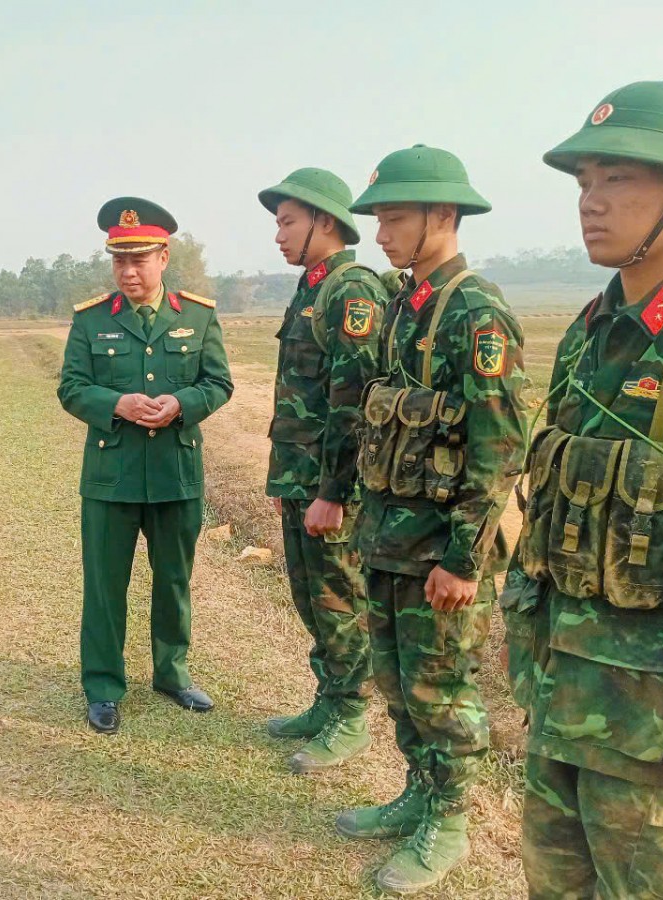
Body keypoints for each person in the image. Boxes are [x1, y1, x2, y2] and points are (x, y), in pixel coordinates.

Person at [505, 77, 663, 899]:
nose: (590, 202)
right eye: (583, 182)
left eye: (619, 178)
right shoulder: (588, 332)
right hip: (564, 706)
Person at [332, 145, 528, 893]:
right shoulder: (406, 306)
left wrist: (464, 559)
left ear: (443, 216)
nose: (380, 232)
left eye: (395, 217)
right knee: (398, 679)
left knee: (442, 689)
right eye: (378, 217)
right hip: (387, 540)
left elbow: (499, 448)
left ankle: (450, 814)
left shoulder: (476, 315)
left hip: (439, 554)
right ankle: (418, 789)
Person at [57, 197, 233, 734]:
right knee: (105, 585)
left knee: (174, 579)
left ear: (164, 257)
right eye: (119, 261)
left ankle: (171, 673)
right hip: (111, 476)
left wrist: (181, 404)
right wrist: (117, 405)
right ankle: (104, 686)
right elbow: (71, 387)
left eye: (139, 260)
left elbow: (219, 383)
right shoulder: (91, 321)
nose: (128, 272)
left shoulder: (198, 316)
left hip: (176, 473)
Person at [257, 168, 388, 773]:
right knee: (312, 598)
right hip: (299, 477)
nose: (278, 235)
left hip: (330, 487)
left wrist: (334, 492)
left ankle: (352, 716)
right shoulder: (312, 287)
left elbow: (353, 401)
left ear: (325, 221)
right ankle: (328, 699)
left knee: (340, 600)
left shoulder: (350, 290)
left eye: (288, 222)